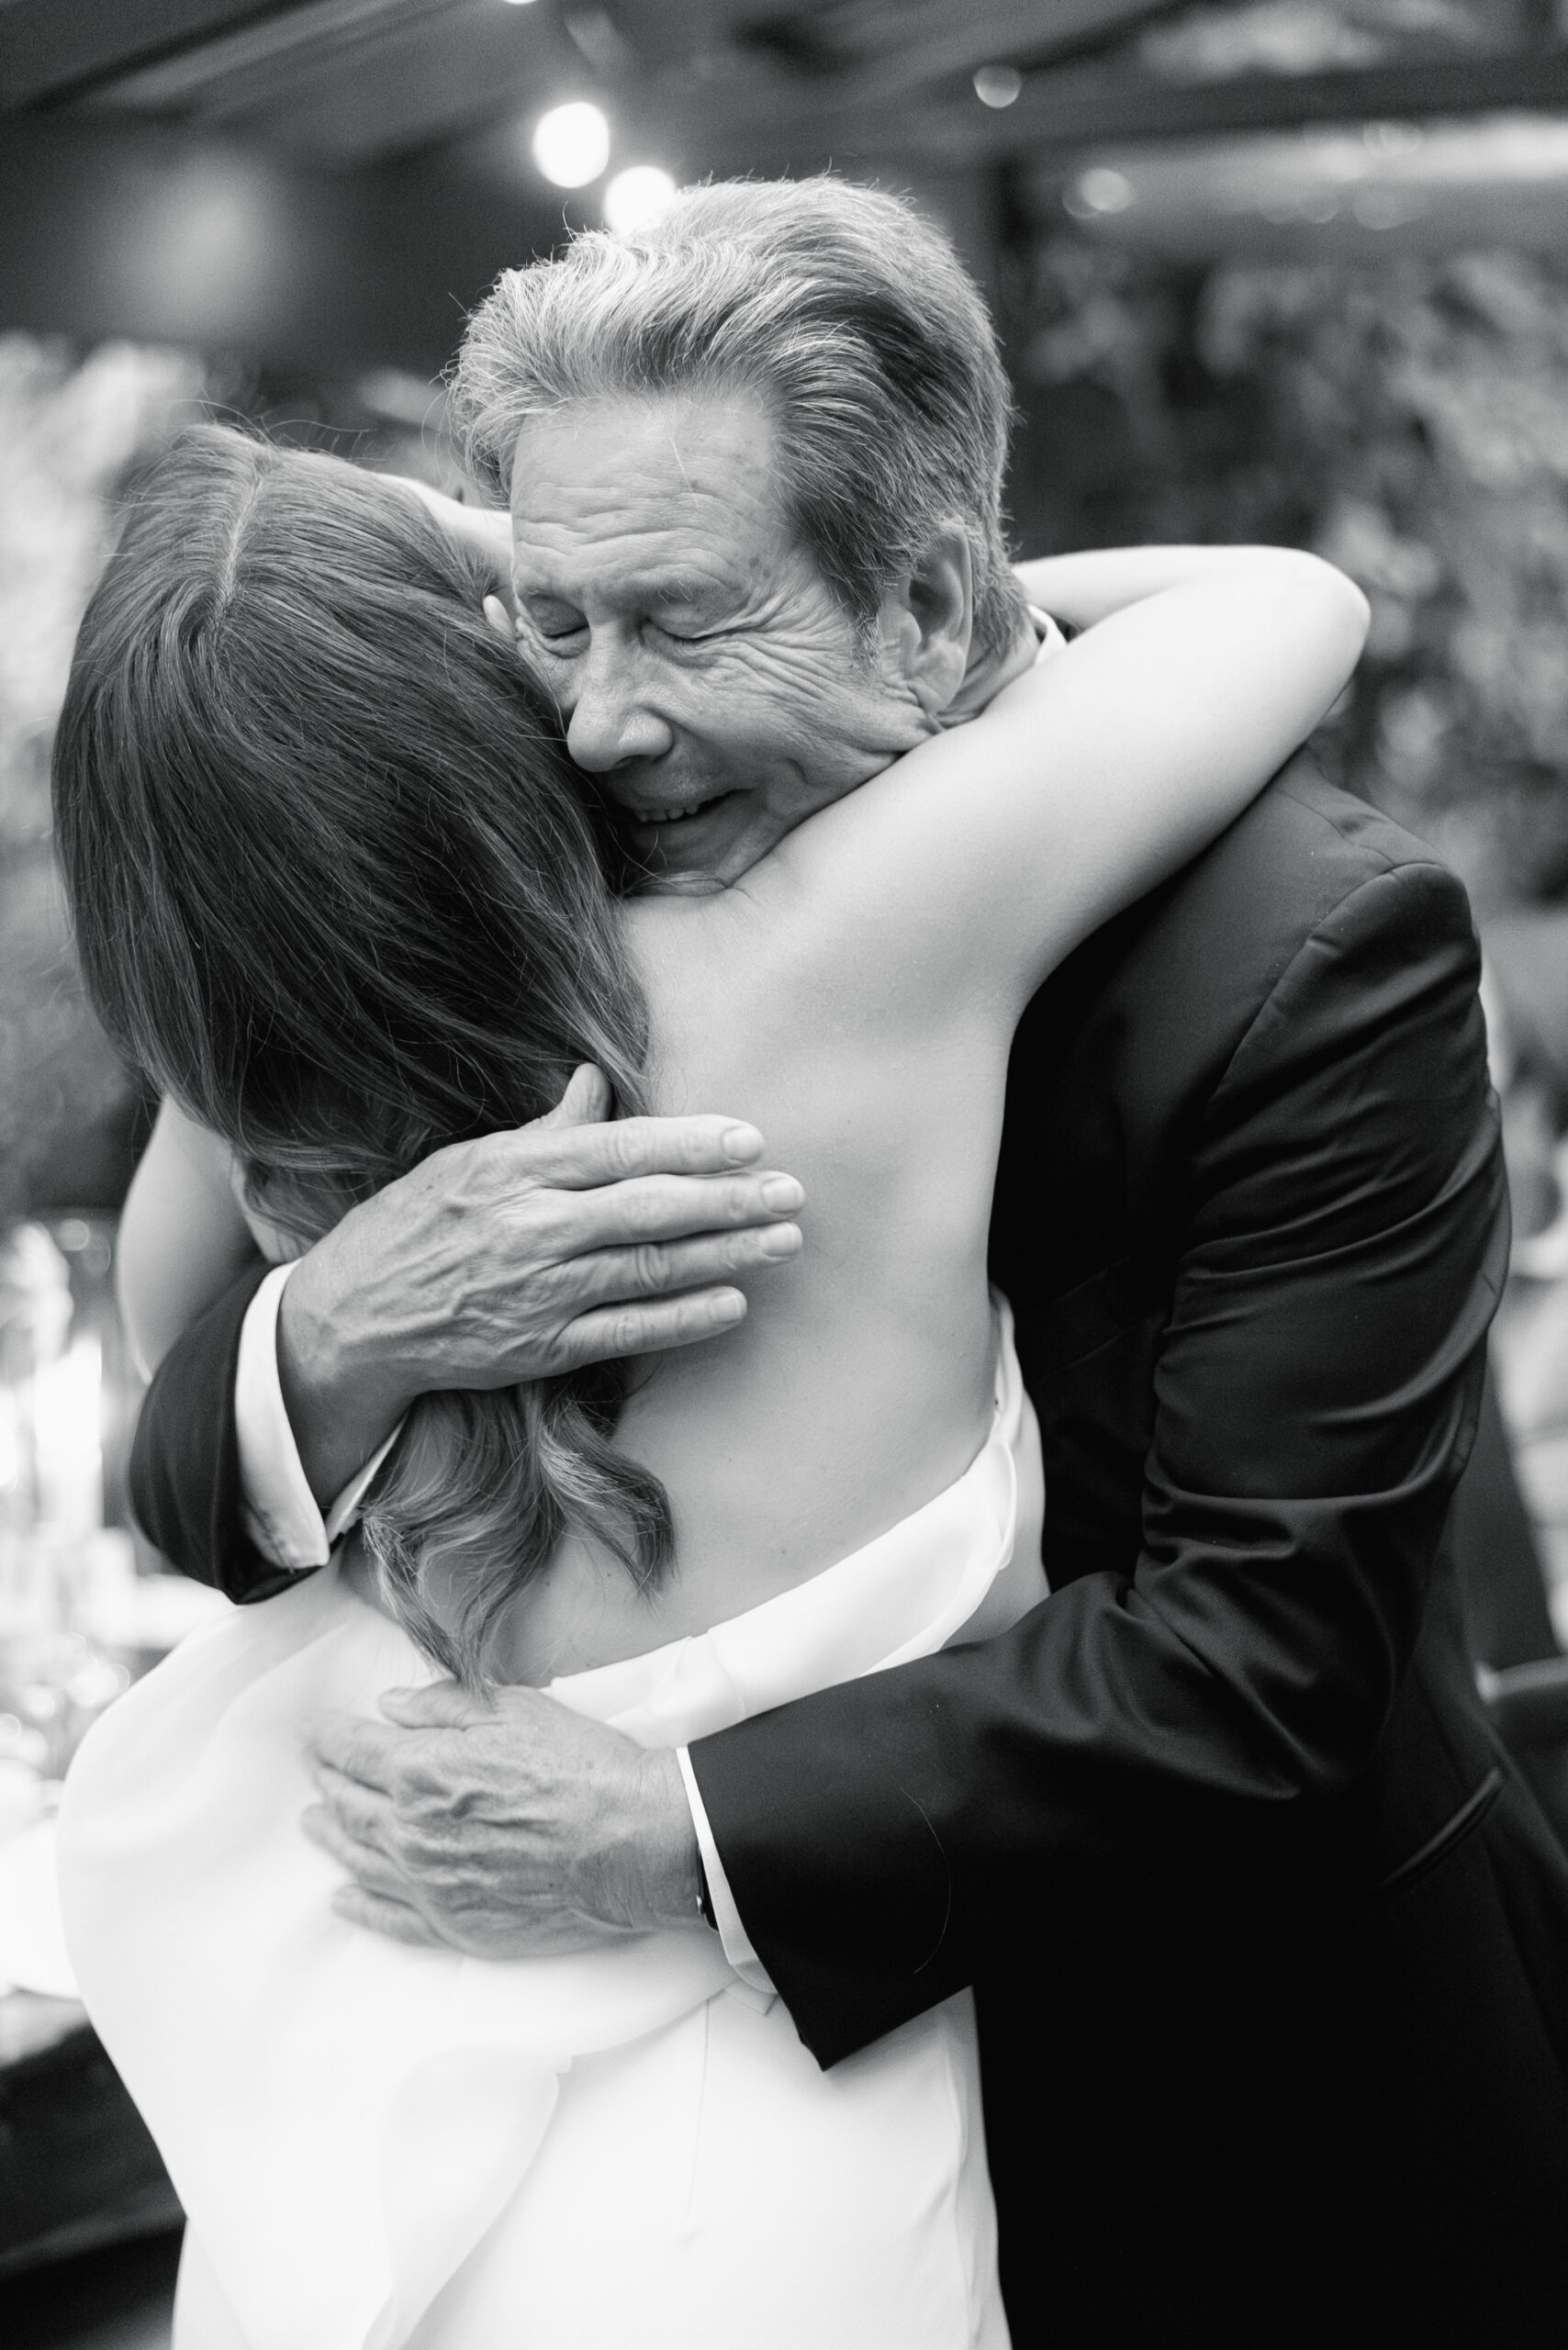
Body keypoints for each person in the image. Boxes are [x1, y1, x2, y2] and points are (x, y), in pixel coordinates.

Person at [99, 181, 1568, 2343]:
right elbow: (195, 1418)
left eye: (680, 622)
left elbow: (1268, 1651)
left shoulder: (1305, 939)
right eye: (548, 615)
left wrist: (675, 1822)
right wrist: (332, 1332)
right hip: (669, 2121)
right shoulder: (542, 873)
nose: (596, 722)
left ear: (926, 589)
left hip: (1243, 2116)